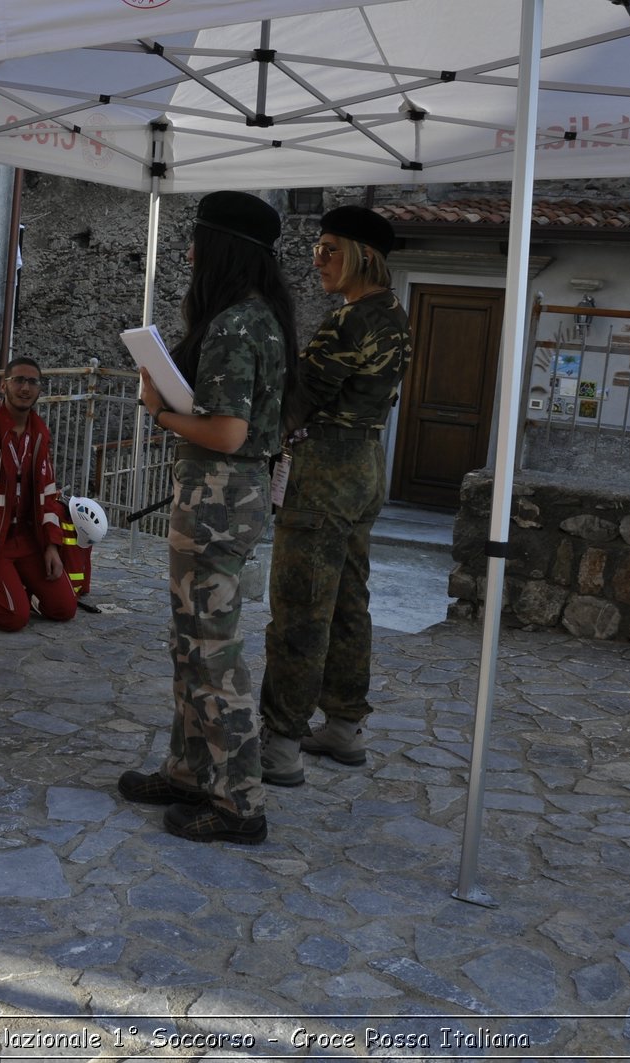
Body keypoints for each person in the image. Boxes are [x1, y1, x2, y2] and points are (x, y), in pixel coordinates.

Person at [117, 191, 294, 845]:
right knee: (191, 642)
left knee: (212, 650)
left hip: (219, 502)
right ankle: (190, 770)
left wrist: (157, 408)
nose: (188, 253)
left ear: (222, 249)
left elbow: (225, 430)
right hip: (223, 500)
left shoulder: (237, 325)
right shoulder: (252, 317)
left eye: (196, 241)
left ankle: (238, 801)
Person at [259, 204, 412, 781]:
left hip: (325, 469)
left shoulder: (348, 321)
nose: (317, 260)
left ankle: (280, 743)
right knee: (349, 599)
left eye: (329, 250)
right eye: (316, 250)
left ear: (362, 256)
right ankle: (344, 726)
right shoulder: (393, 314)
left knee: (300, 608)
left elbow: (301, 398)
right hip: (367, 463)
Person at [0, 357, 77, 631]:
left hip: (26, 538)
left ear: (40, 389)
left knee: (64, 608)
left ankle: (14, 583)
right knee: (14, 619)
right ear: (4, 386)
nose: (25, 388)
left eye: (32, 382)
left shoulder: (39, 432)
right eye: (18, 381)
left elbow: (48, 494)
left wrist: (52, 546)